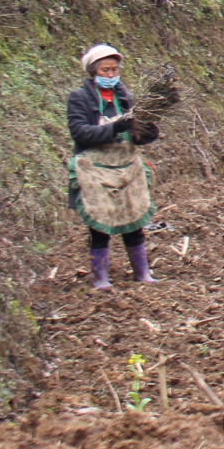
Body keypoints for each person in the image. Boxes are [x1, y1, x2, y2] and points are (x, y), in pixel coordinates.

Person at [67, 43, 162, 291]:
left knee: (134, 220)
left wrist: (148, 133)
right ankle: (101, 278)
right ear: (93, 71)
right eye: (105, 70)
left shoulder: (126, 98)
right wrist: (112, 129)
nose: (111, 75)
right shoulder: (80, 97)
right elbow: (79, 131)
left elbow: (136, 134)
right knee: (100, 223)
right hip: (94, 168)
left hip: (126, 166)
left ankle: (143, 273)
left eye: (114, 69)